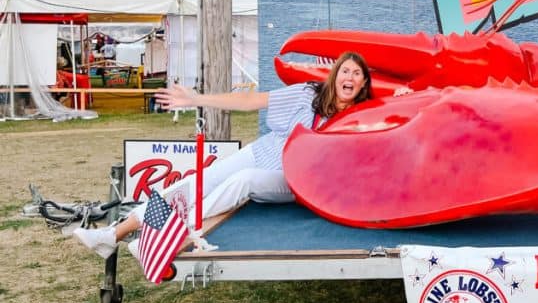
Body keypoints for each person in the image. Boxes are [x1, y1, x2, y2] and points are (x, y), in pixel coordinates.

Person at [73, 51, 373, 260]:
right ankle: (113, 235)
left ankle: (167, 234)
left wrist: (402, 98)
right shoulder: (308, 94)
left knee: (243, 181)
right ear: (334, 76)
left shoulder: (362, 114)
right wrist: (197, 99)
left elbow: (397, 116)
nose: (349, 76)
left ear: (362, 85)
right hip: (263, 151)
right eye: (344, 70)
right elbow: (249, 100)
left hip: (294, 179)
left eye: (357, 73)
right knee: (192, 185)